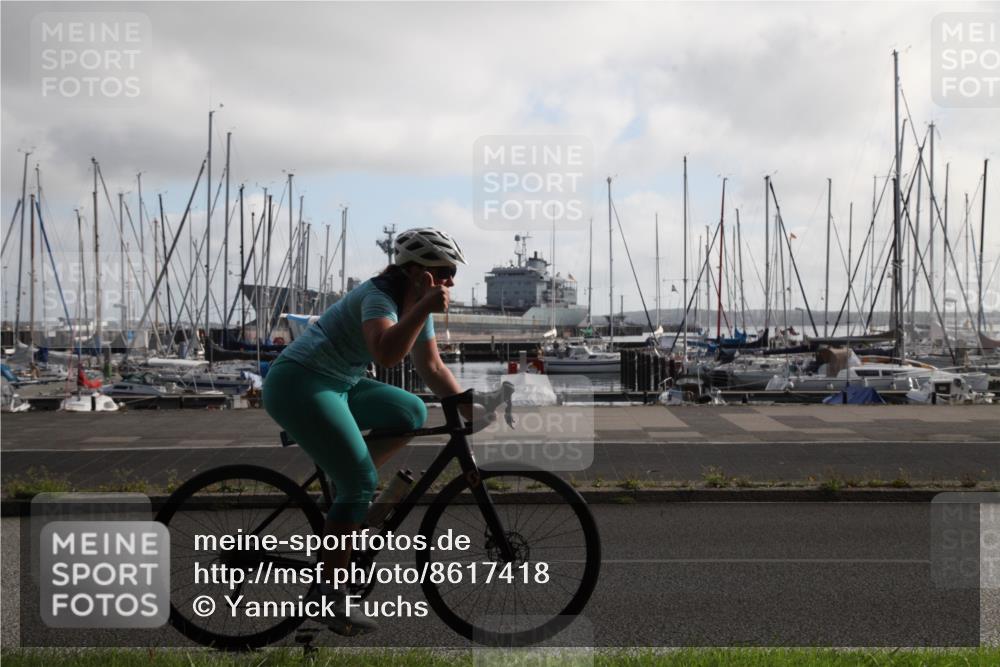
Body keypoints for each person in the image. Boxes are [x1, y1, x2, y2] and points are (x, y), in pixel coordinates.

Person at [262, 227, 484, 635]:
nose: (452, 280)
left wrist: (475, 409)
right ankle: (327, 592)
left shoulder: (416, 302)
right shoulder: (379, 297)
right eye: (446, 271)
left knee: (412, 411)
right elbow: (385, 354)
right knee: (361, 483)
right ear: (419, 272)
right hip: (299, 383)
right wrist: (423, 310)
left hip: (340, 384)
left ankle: (344, 478)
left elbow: (431, 368)